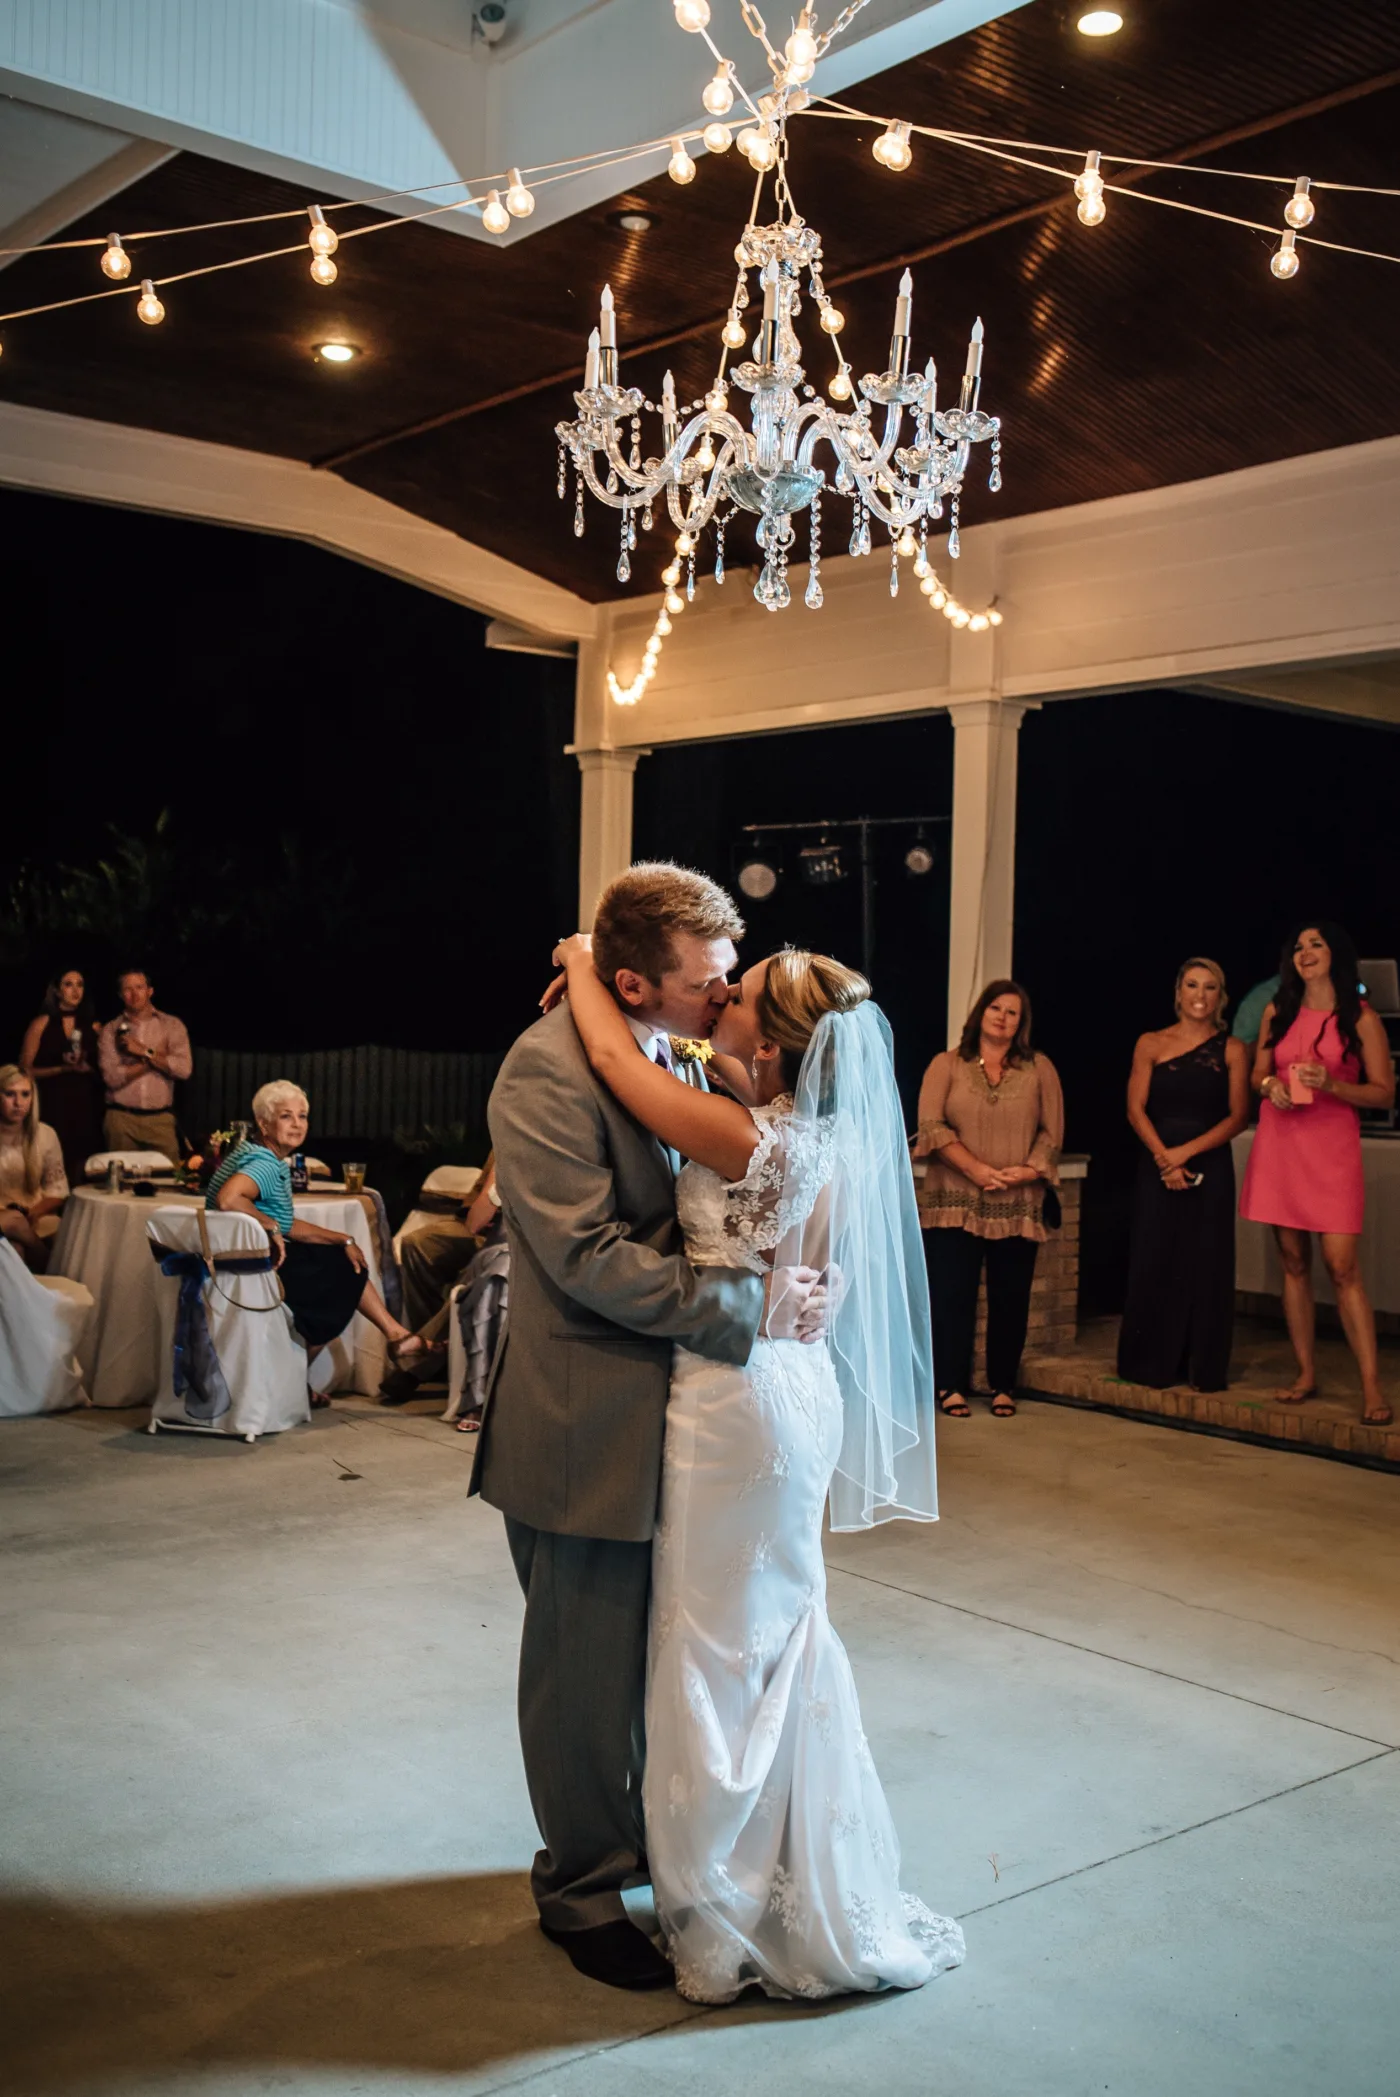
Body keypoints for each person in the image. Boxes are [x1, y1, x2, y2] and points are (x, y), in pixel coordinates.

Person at [549, 926, 962, 2005]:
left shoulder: (750, 1140)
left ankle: (726, 1902)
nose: (719, 996)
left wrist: (587, 960)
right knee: (776, 1634)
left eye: (737, 997)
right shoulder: (811, 1137)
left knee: (714, 1647)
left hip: (734, 1406)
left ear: (772, 1050)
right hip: (794, 1388)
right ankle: (792, 1874)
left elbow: (608, 1060)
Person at [1239, 921, 1395, 1424]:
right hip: (1282, 1141)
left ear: (1336, 954)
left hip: (1332, 1146)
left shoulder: (1362, 1018)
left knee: (1342, 1265)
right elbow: (1255, 1072)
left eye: (1317, 944)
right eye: (1299, 947)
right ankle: (1305, 1373)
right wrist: (1269, 1087)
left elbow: (1384, 1092)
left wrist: (1333, 1083)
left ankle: (1371, 1388)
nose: (1306, 952)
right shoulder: (1277, 1011)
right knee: (1292, 1260)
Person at [207, 1081, 433, 1404]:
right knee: (344, 1278)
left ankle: (395, 1336)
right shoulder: (264, 1164)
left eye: (302, 1116)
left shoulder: (250, 1152)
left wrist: (342, 1238)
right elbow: (230, 1199)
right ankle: (295, 1379)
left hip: (238, 1259)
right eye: (286, 1116)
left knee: (344, 1261)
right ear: (263, 1122)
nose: (297, 1124)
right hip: (251, 1267)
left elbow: (287, 1224)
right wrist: (270, 1226)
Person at [912, 980, 1063, 1419]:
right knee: (952, 1297)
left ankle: (1003, 1385)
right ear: (980, 1013)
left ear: (1022, 1022)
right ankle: (950, 1386)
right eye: (995, 1008)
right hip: (954, 1200)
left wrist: (1026, 1172)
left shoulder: (1040, 1069)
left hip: (1018, 1203)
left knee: (1010, 1297)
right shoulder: (947, 1065)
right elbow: (931, 1125)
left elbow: (1052, 1133)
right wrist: (976, 1169)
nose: (1003, 1017)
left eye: (1013, 1012)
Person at [1117, 958, 1250, 1391]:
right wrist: (1164, 1159)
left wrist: (1184, 1154)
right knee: (1155, 1254)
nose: (1200, 994)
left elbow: (1238, 1116)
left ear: (1220, 997)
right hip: (1156, 1163)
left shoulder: (1232, 1049)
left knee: (1206, 1262)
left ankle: (1202, 1367)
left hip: (1209, 1163)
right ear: (1178, 991)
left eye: (1210, 987)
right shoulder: (1150, 1043)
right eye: (1192, 985)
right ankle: (1148, 1363)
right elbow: (1135, 1109)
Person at [97, 969, 192, 1165]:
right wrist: (156, 1059)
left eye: (139, 987)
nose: (134, 994)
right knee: (121, 1186)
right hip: (121, 1119)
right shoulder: (110, 1030)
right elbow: (112, 1078)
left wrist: (143, 1051)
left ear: (150, 991)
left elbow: (183, 1069)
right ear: (120, 995)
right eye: (127, 989)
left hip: (160, 1119)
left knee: (169, 1182)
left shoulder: (172, 1026)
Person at [19, 970, 104, 1184]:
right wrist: (62, 1069)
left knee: (80, 1160)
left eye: (80, 984)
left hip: (84, 1103)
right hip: (51, 1101)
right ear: (57, 990)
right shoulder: (42, 1023)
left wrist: (87, 1068)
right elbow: (24, 1070)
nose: (75, 990)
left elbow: (106, 1072)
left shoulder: (94, 1026)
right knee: (48, 1159)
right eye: (68, 984)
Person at [0, 1065, 69, 1272]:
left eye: (25, 1094)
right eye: (9, 1094)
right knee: (12, 1223)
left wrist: (31, 1214)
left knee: (16, 1247)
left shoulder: (45, 1135)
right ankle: (51, 1264)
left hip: (34, 1215)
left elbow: (58, 1191)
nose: (18, 1103)